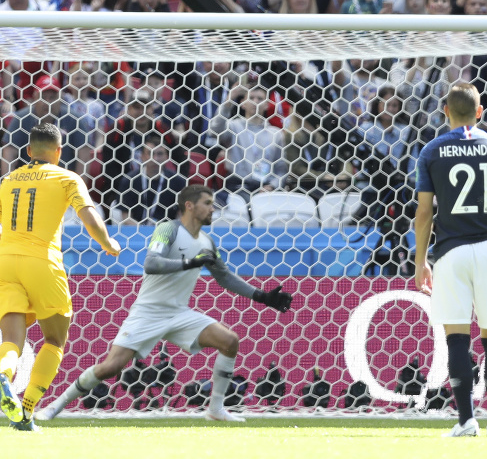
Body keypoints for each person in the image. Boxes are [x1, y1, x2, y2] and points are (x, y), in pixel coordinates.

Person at [37, 185, 294, 423]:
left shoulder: (206, 242)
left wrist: (263, 297)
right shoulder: (167, 229)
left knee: (229, 341)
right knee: (111, 367)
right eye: (207, 203)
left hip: (179, 313)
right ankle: (56, 406)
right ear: (190, 206)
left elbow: (224, 277)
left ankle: (215, 410)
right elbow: (151, 263)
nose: (212, 208)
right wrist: (188, 263)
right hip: (148, 313)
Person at [414, 83, 487, 437]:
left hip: (451, 252)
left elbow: (424, 213)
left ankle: (465, 421)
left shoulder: (431, 151)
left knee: (457, 338)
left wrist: (420, 261)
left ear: (444, 110)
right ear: (480, 113)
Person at [0, 123, 121, 432]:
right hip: (42, 262)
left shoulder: (8, 179)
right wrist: (108, 244)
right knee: (54, 340)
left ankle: (4, 376)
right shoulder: (67, 177)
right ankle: (26, 411)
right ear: (59, 151)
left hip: (5, 262)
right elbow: (89, 217)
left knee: (12, 339)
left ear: (27, 151)